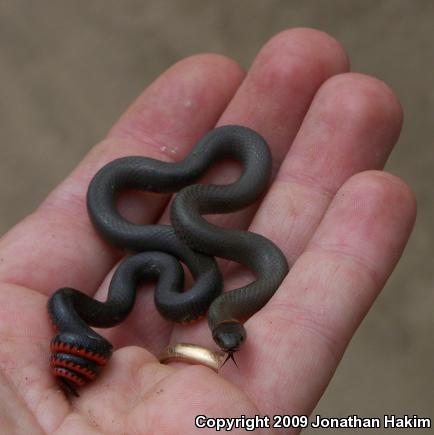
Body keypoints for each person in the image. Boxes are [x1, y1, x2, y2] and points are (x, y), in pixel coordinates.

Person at [0, 28, 415, 434]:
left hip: (177, 277)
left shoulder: (220, 287)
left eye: (228, 339)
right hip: (169, 275)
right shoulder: (200, 279)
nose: (234, 345)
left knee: (178, 240)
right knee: (176, 228)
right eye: (232, 338)